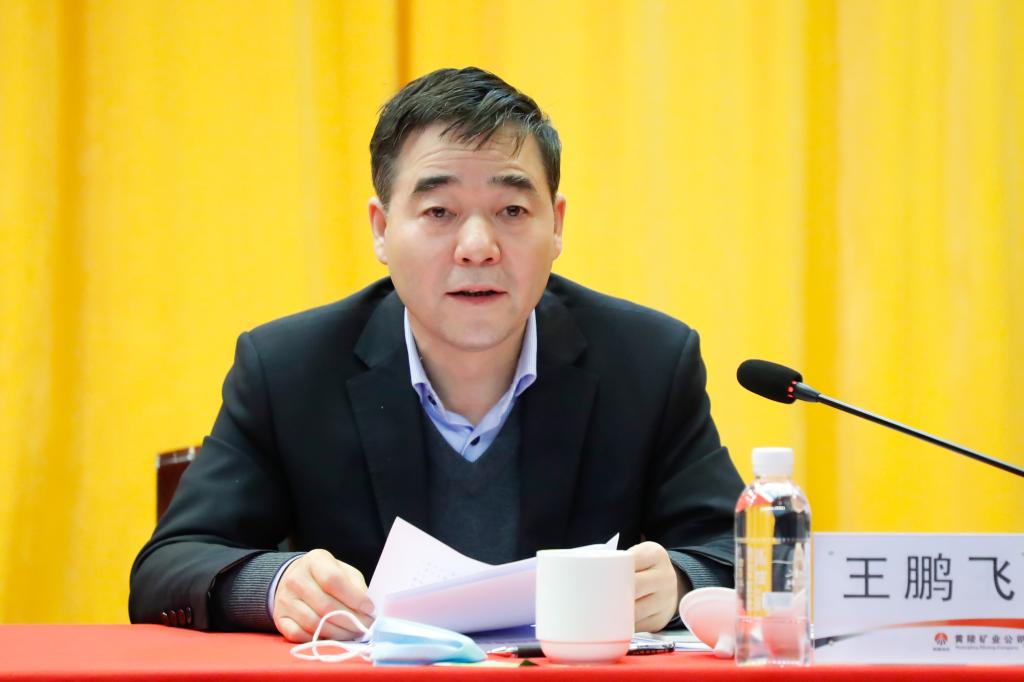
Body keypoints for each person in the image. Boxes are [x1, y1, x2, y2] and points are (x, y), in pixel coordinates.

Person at [129, 66, 744, 642]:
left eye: (511, 210)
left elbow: (740, 553)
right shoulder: (289, 369)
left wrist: (679, 581)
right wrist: (275, 586)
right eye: (439, 212)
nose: (477, 246)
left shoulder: (648, 362)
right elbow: (169, 567)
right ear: (381, 229)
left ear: (556, 224)